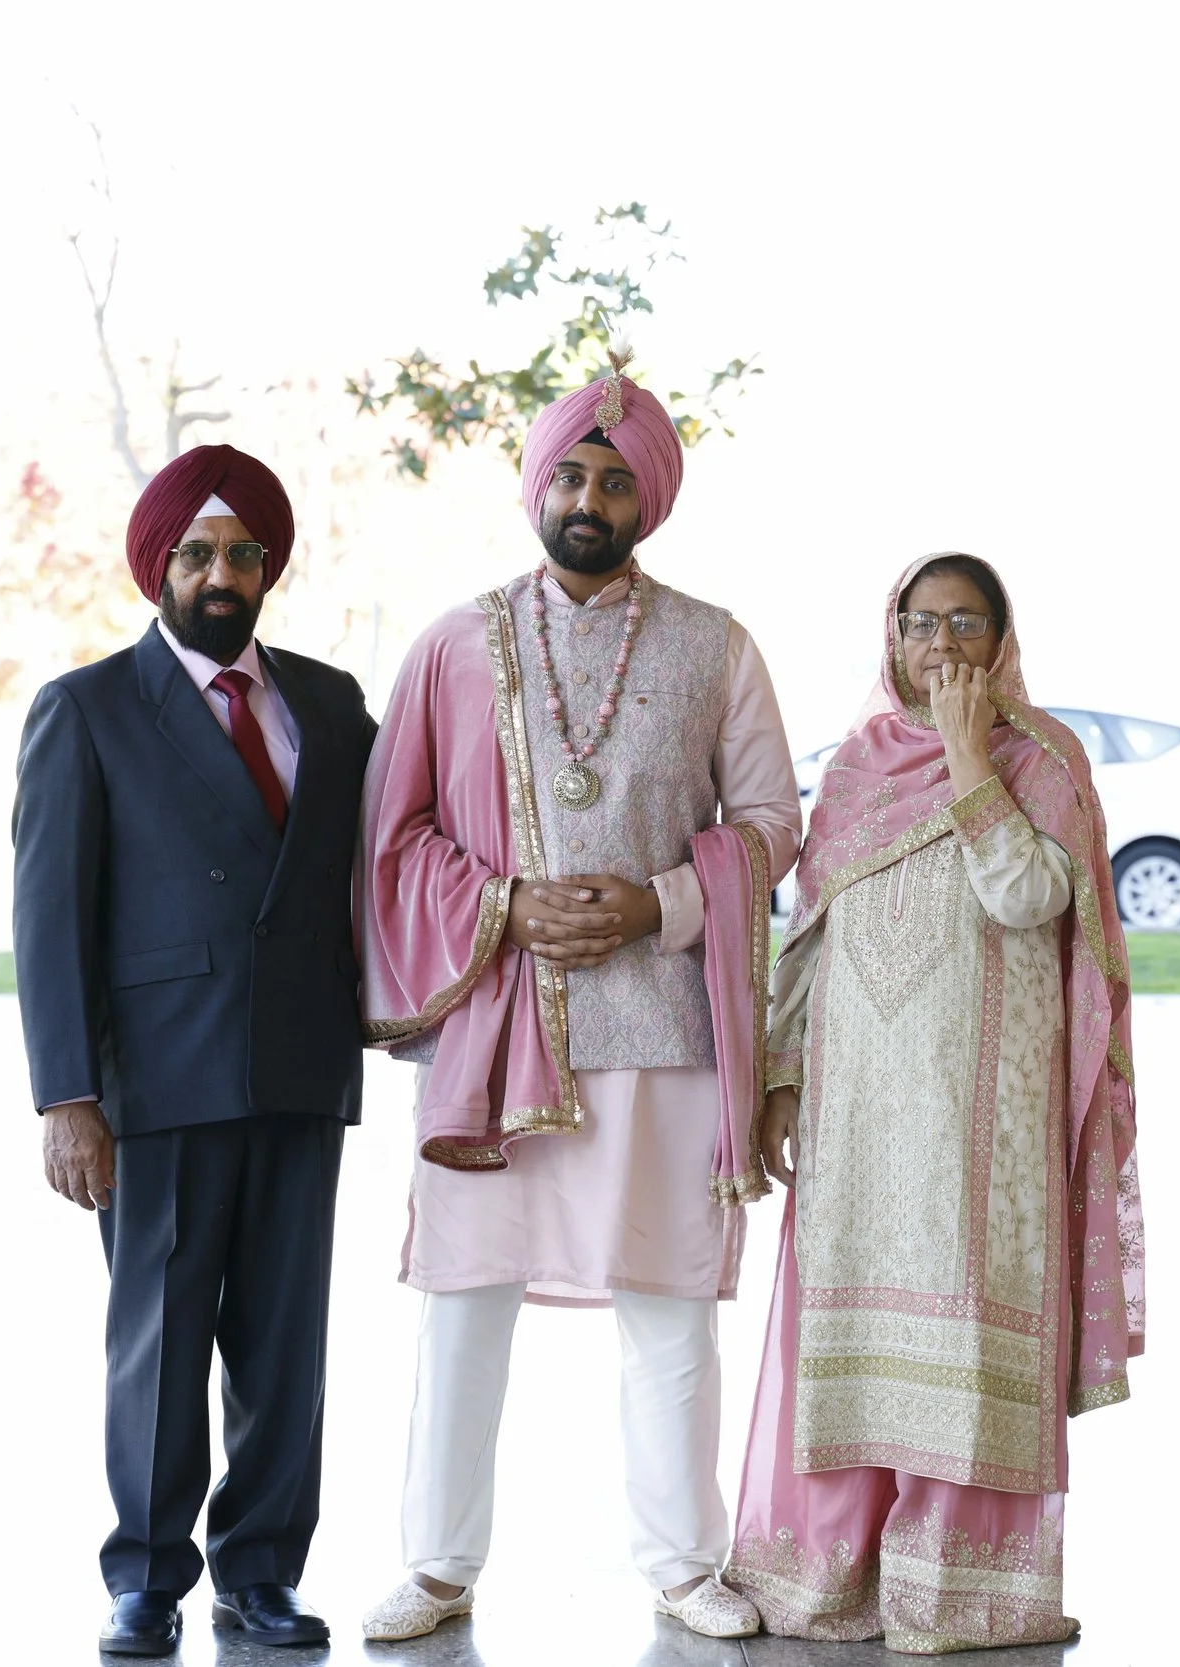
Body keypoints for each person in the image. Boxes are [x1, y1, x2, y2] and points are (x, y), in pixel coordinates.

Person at [355, 357, 801, 1643]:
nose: (589, 495)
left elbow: (772, 820)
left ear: (647, 498)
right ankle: (437, 1564)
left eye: (614, 477)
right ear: (537, 485)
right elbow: (399, 832)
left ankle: (681, 1563)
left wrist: (659, 903)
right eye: (571, 472)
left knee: (666, 1307)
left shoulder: (717, 643)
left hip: (662, 1028)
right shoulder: (453, 644)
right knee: (465, 1301)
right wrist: (507, 907)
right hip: (501, 1032)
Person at [723, 554, 1144, 1654]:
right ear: (892, 638)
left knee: (964, 1327)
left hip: (984, 1121)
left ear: (1001, 638)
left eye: (965, 623)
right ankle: (830, 1571)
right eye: (921, 624)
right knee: (849, 1325)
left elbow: (1028, 895)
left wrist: (967, 757)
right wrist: (780, 1075)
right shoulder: (857, 765)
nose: (941, 646)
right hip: (859, 1114)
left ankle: (954, 1589)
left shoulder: (1045, 757)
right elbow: (806, 937)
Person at [11, 444, 376, 1655]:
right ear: (158, 566)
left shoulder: (329, 704)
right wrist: (69, 1093)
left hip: (299, 1065)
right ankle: (148, 1575)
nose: (221, 574)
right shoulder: (88, 709)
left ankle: (260, 1570)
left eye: (242, 553)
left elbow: (375, 870)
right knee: (159, 1340)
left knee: (284, 1338)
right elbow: (48, 915)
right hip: (157, 1076)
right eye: (197, 553)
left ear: (268, 565)